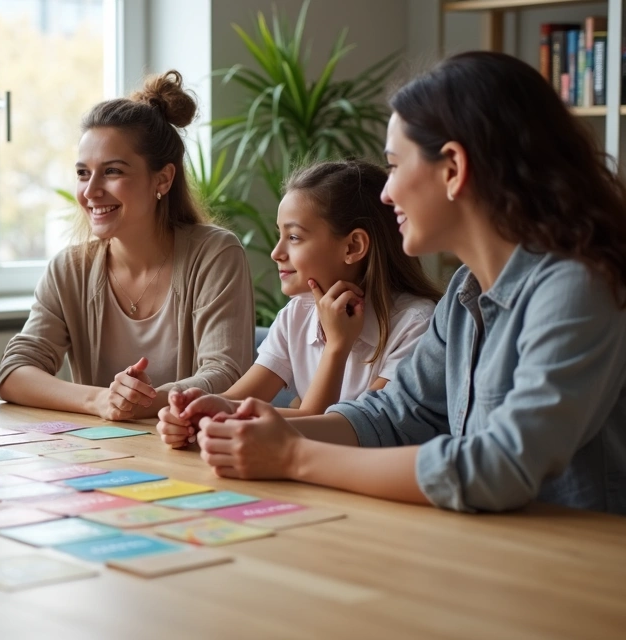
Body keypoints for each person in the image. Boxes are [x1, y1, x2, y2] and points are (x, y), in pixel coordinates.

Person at [194, 51, 626, 515]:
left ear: (454, 169)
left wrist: (294, 455)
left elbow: (500, 466)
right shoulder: (465, 294)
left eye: (396, 166)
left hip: (583, 571)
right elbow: (395, 414)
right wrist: (257, 427)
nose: (386, 192)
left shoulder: (577, 287)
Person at [0, 70, 254, 421]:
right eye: (83, 173)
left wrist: (146, 400)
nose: (90, 192)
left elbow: (226, 374)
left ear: (162, 179)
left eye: (113, 172)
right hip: (102, 456)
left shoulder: (215, 254)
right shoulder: (69, 268)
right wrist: (101, 401)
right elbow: (14, 373)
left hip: (194, 451)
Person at [157, 160, 442, 448]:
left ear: (353, 246)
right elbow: (237, 400)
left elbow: (334, 429)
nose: (276, 252)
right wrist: (198, 413)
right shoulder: (298, 313)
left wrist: (336, 346)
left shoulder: (416, 325)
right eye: (280, 235)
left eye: (293, 237)